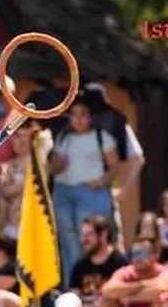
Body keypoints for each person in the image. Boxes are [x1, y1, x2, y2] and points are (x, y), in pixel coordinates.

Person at [48, 94, 120, 286]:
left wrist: (103, 181)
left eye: (83, 114)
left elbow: (114, 166)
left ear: (90, 117)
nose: (78, 119)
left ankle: (91, 284)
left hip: (90, 192)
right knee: (68, 241)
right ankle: (70, 287)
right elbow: (55, 167)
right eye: (74, 115)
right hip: (64, 191)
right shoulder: (63, 137)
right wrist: (54, 164)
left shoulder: (101, 136)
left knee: (89, 240)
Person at [69, 215, 128, 307]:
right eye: (82, 235)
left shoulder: (119, 262)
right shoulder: (80, 264)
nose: (84, 240)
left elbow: (121, 299)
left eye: (89, 235)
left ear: (103, 235)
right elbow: (74, 296)